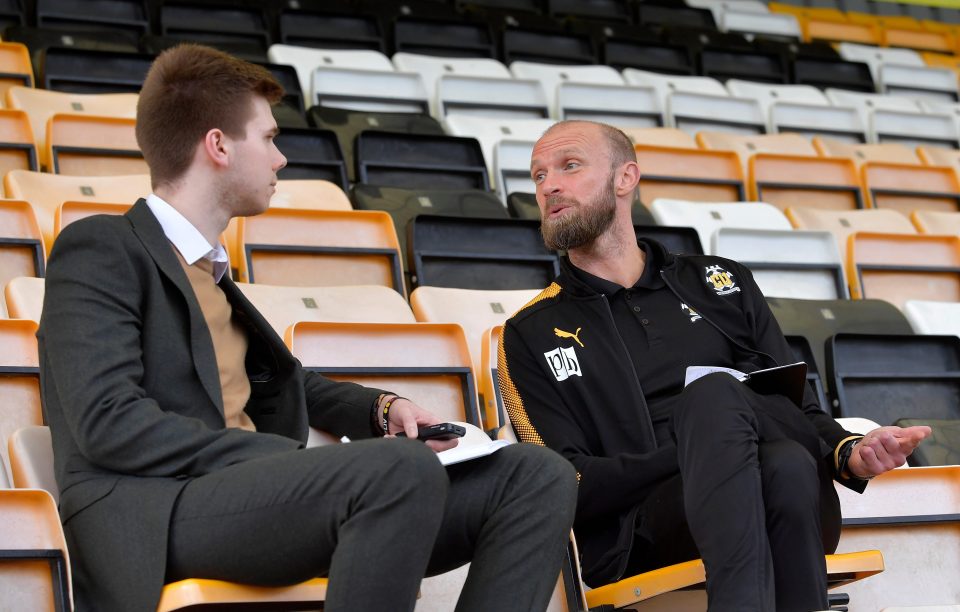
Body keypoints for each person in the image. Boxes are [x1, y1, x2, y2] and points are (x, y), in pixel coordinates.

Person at [37, 44, 577, 612]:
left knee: (535, 475)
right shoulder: (100, 247)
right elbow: (108, 422)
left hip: (256, 505)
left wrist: (381, 409)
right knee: (396, 471)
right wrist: (278, 459)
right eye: (269, 138)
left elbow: (291, 382)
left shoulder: (209, 269)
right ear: (217, 146)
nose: (281, 159)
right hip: (157, 515)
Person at [498, 119, 931, 611]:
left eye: (569, 166)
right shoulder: (529, 331)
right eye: (538, 175)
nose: (549, 185)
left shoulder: (719, 282)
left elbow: (798, 408)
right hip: (643, 530)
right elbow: (563, 484)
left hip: (781, 492)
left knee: (774, 452)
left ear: (626, 178)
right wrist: (696, 443)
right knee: (743, 424)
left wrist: (847, 452)